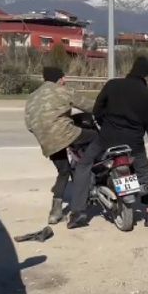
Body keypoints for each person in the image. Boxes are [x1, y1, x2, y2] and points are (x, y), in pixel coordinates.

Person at [67, 56, 148, 229]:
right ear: (146, 76)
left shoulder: (113, 85)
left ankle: (78, 213)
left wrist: (104, 122)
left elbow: (97, 109)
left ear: (131, 71)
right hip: (133, 144)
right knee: (144, 174)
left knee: (84, 165)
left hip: (107, 139)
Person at [24, 66, 95, 224]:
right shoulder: (62, 90)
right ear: (58, 79)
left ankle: (55, 213)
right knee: (97, 137)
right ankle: (89, 173)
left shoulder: (32, 96)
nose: (65, 80)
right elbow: (89, 106)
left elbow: (29, 124)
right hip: (66, 133)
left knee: (63, 172)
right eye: (63, 77)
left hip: (47, 141)